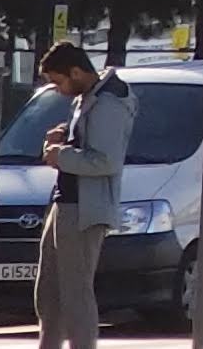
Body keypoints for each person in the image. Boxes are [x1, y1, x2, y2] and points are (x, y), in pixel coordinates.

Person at [33, 41, 131, 349]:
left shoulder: (110, 102)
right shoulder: (88, 97)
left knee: (75, 295)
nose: (58, 90)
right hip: (66, 202)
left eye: (59, 81)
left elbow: (106, 160)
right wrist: (61, 139)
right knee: (48, 292)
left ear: (76, 72)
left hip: (84, 209)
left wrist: (60, 156)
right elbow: (85, 144)